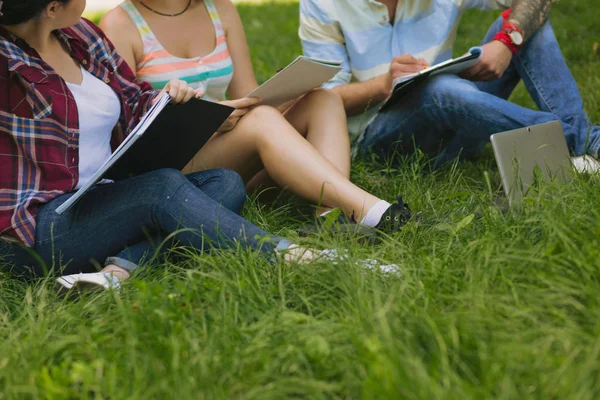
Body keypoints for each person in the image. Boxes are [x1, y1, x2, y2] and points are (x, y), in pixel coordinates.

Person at [0, 0, 395, 293]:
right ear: (52, 7)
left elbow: (135, 100)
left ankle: (114, 273)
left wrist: (172, 103)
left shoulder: (81, 36)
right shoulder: (8, 64)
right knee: (163, 188)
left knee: (224, 183)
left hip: (101, 199)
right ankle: (295, 257)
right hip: (40, 226)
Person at [98, 0, 413, 229]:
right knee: (261, 122)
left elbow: (250, 98)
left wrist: (289, 92)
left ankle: (330, 219)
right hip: (176, 172)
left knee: (324, 100)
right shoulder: (120, 24)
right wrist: (207, 120)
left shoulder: (219, 8)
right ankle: (373, 211)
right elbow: (125, 134)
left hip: (233, 150)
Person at [299, 0, 600, 171]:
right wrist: (384, 84)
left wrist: (508, 41)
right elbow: (323, 98)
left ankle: (582, 146)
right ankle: (576, 143)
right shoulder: (322, 4)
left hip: (461, 116)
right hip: (382, 142)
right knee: (440, 90)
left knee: (527, 23)